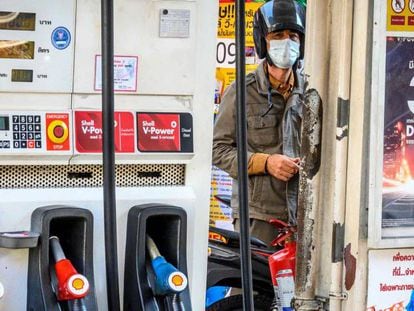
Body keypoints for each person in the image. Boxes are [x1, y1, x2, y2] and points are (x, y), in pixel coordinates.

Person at [212, 0, 306, 245]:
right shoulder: (241, 92)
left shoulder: (311, 93)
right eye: (278, 35)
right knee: (254, 283)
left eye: (293, 36)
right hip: (258, 217)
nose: (287, 42)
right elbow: (217, 150)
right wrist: (265, 163)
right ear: (263, 40)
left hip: (304, 216)